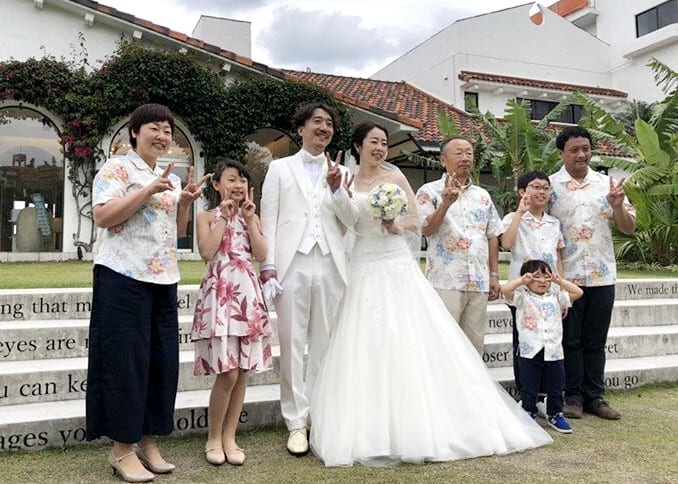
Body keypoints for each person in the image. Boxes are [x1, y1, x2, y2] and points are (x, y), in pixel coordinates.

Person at [310, 121, 552, 467]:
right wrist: (336, 191)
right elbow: (349, 220)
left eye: (383, 143)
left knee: (409, 339)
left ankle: (430, 419)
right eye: (373, 142)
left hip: (396, 261)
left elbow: (415, 222)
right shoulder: (347, 179)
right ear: (358, 146)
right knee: (366, 340)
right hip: (364, 263)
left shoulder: (396, 178)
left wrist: (395, 223)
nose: (380, 148)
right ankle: (371, 427)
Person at [86, 103, 207, 482]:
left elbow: (176, 230)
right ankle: (122, 448)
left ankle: (148, 440)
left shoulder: (167, 177)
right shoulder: (117, 168)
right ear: (134, 133)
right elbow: (103, 216)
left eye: (168, 130)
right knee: (125, 362)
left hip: (163, 279)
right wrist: (146, 191)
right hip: (122, 276)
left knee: (160, 363)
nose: (163, 135)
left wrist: (184, 204)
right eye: (154, 127)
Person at [259, 102, 359, 455]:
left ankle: (319, 412)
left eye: (329, 123)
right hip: (292, 264)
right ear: (300, 129)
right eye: (317, 121)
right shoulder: (279, 168)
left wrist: (337, 190)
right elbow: (268, 218)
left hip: (330, 262)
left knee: (324, 343)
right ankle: (295, 422)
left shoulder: (342, 171)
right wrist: (268, 264)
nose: (324, 127)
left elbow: (352, 220)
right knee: (291, 343)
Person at [549, 126, 636, 420]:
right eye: (574, 150)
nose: (581, 155)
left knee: (596, 341)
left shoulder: (606, 185)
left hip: (602, 274)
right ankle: (572, 397)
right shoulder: (550, 187)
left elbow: (628, 227)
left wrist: (617, 206)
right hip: (566, 277)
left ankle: (595, 397)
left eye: (585, 148)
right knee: (570, 340)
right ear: (561, 153)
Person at [191, 159, 272, 466]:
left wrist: (249, 220)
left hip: (247, 295)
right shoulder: (206, 216)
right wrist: (224, 217)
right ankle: (213, 437)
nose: (238, 185)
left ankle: (230, 436)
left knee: (242, 372)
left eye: (242, 180)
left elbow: (261, 255)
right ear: (216, 184)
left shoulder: (252, 216)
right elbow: (207, 251)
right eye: (232, 179)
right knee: (228, 372)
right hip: (220, 295)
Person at [416, 136, 503, 353]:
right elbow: (425, 230)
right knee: (444, 344)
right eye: (459, 153)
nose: (465, 158)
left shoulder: (483, 195)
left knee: (475, 344)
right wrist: (445, 204)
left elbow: (492, 235)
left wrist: (493, 275)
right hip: (446, 280)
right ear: (443, 160)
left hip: (479, 281)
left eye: (469, 153)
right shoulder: (428, 191)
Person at [501, 170, 565, 399]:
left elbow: (557, 257)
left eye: (545, 188)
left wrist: (561, 290)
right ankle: (526, 394)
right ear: (522, 192)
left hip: (549, 291)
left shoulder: (554, 223)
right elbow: (506, 244)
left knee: (549, 340)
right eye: (536, 187)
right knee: (523, 341)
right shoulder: (512, 218)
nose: (541, 192)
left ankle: (546, 394)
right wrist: (520, 212)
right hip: (522, 291)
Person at [501, 260, 583, 434]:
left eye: (546, 277)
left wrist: (560, 281)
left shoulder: (556, 297)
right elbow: (505, 290)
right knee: (529, 386)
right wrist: (522, 281)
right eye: (536, 277)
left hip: (554, 351)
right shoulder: (522, 298)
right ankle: (528, 411)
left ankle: (555, 413)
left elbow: (578, 292)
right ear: (527, 279)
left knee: (556, 385)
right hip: (530, 351)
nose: (542, 281)